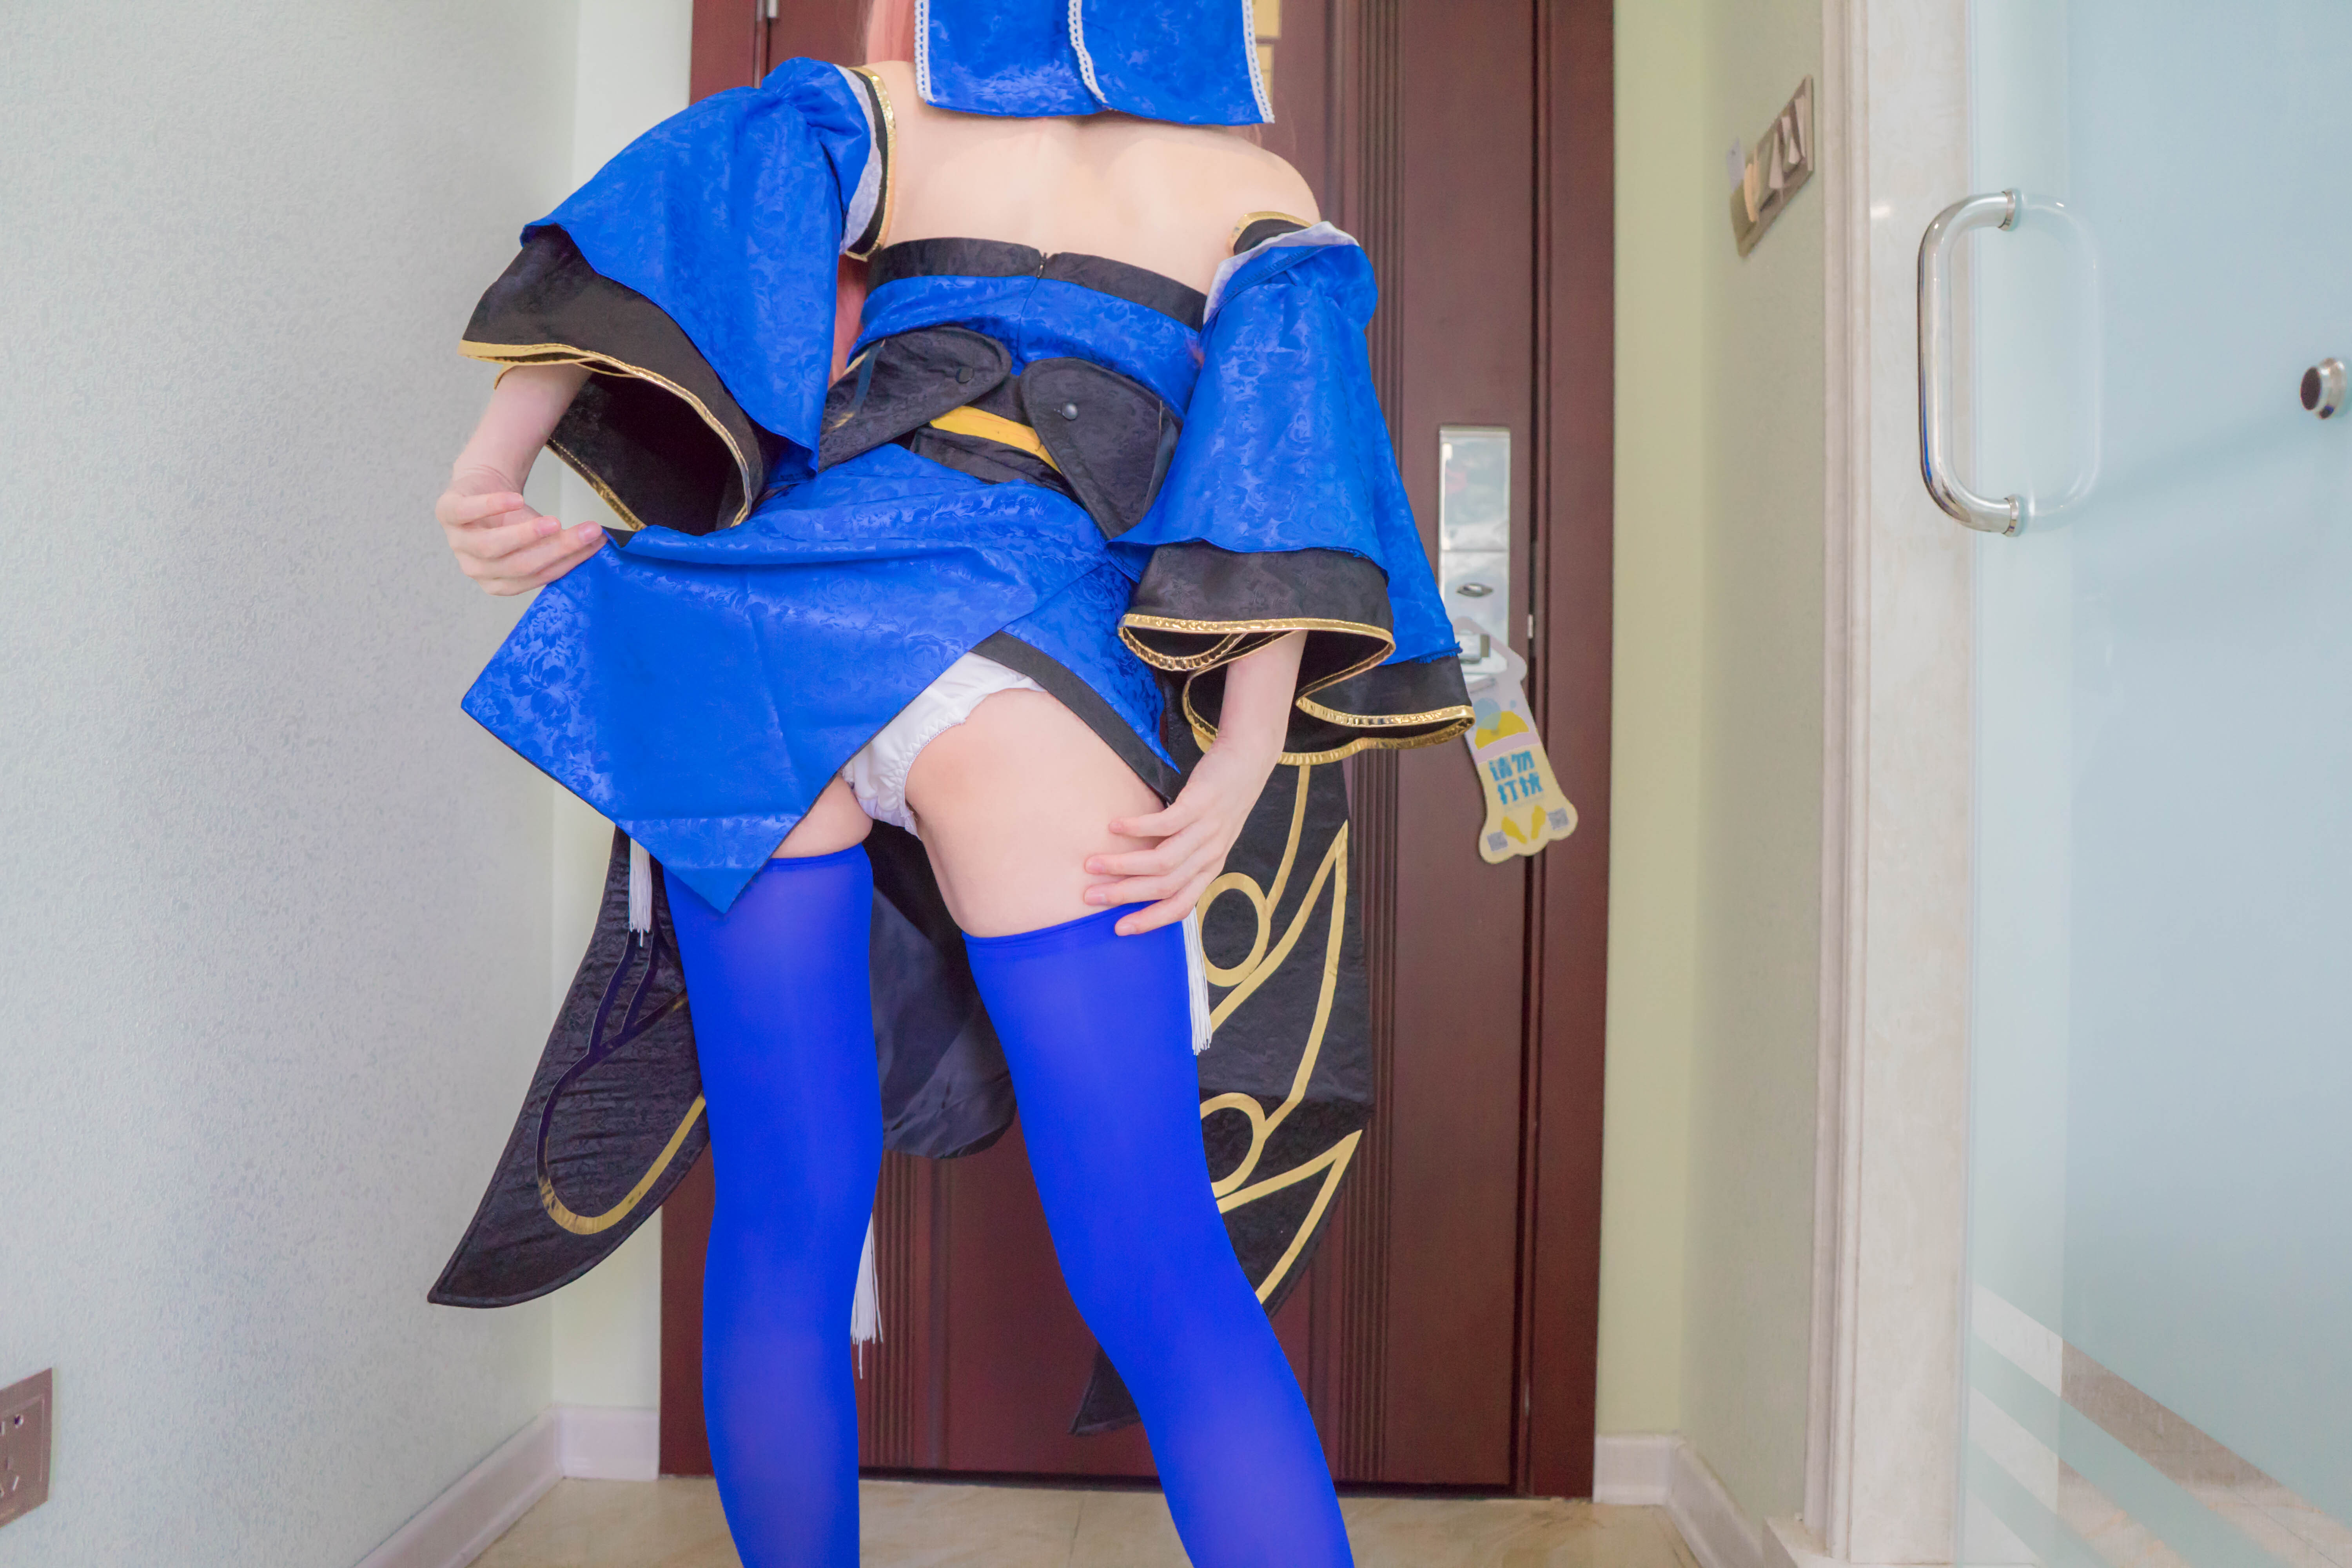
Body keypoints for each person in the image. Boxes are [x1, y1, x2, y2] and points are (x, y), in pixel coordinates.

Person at [429, 2, 1470, 1563]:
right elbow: (1281, 461)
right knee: (1161, 1270)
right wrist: (1245, 754)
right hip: (1028, 665)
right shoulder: (1254, 195)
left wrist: (492, 459)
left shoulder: (889, 112)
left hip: (776, 638)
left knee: (785, 1215)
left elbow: (678, 209)